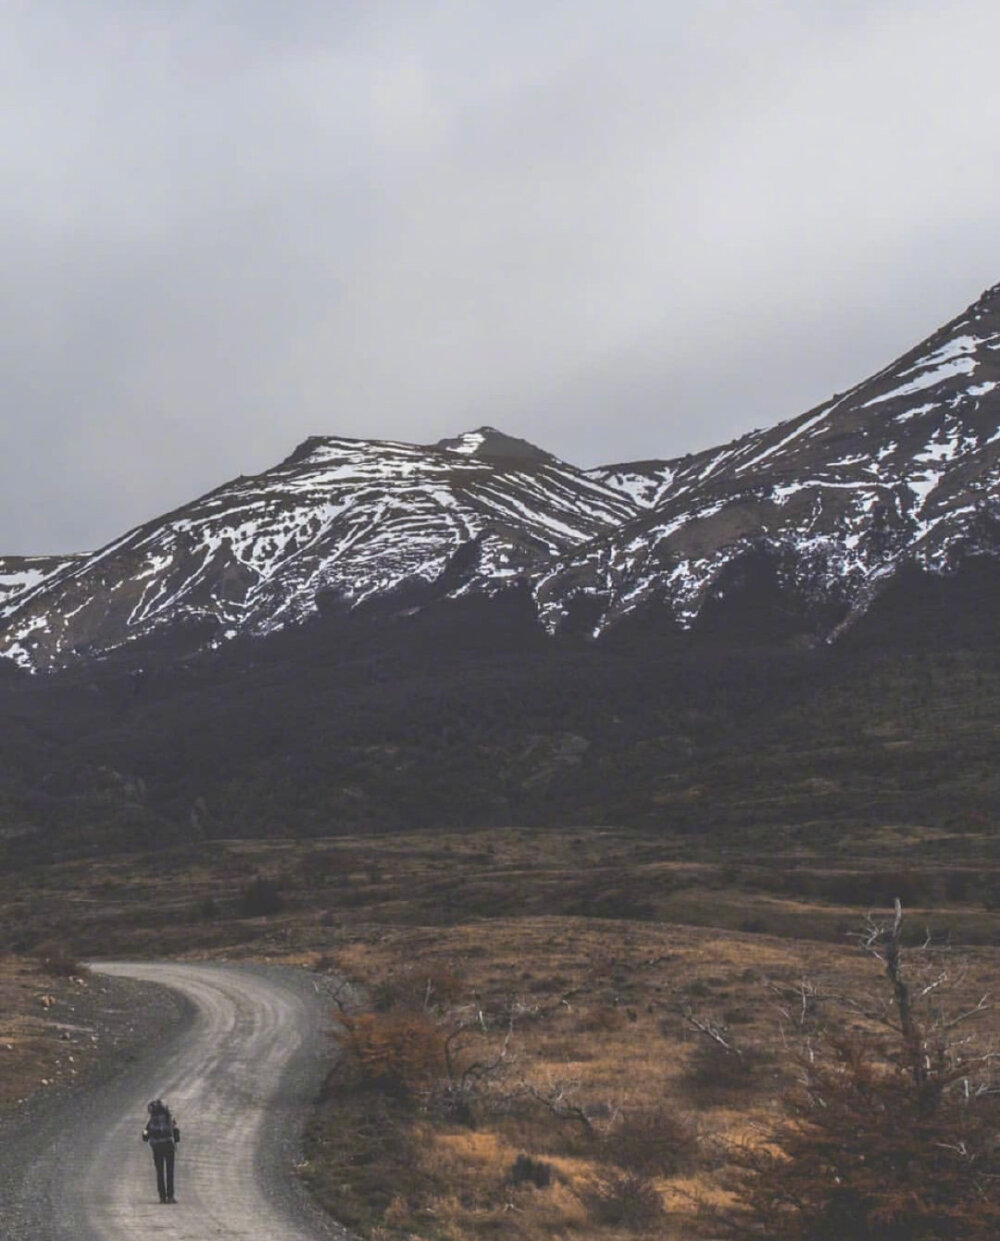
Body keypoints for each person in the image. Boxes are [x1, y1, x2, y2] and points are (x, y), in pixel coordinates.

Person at [142, 1098, 180, 1204]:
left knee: (159, 1172)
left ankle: (162, 1197)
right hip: (169, 1146)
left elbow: (145, 1135)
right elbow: (176, 1132)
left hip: (157, 1148)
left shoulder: (152, 1121)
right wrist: (175, 1141)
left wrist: (147, 1137)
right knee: (170, 1171)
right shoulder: (169, 1118)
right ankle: (170, 1196)